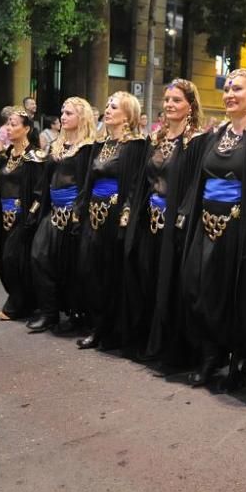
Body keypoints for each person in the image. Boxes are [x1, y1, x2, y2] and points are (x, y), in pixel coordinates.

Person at [179, 68, 246, 388]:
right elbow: (202, 178)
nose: (229, 94)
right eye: (227, 89)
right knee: (197, 290)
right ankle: (210, 355)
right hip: (207, 224)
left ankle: (237, 362)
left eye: (238, 89)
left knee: (236, 298)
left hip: (239, 229)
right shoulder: (217, 132)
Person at [121, 79, 208, 364]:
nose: (170, 104)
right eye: (167, 99)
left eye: (177, 100)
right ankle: (147, 341)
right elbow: (142, 181)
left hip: (175, 226)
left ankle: (169, 349)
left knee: (169, 286)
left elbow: (196, 185)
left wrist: (182, 219)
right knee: (146, 278)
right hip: (149, 221)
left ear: (190, 106)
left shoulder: (196, 141)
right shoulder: (156, 139)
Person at [75, 91, 147, 350]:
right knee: (89, 271)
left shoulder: (136, 146)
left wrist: (126, 214)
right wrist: (81, 207)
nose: (107, 109)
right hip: (93, 214)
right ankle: (97, 325)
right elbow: (89, 179)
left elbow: (136, 185)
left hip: (115, 217)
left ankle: (109, 330)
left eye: (114, 106)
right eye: (106, 105)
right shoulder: (102, 144)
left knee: (111, 274)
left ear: (127, 115)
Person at [26, 97, 97, 334]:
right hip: (53, 212)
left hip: (73, 214)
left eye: (68, 113)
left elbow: (87, 184)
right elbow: (44, 181)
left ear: (82, 117)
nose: (63, 117)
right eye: (62, 113)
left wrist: (78, 213)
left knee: (71, 267)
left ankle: (76, 315)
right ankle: (49, 313)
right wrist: (36, 208)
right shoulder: (57, 145)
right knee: (39, 256)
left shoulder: (88, 148)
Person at [0, 109, 46, 321]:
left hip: (23, 217)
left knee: (13, 258)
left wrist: (31, 217)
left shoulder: (34, 158)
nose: (9, 127)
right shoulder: (6, 156)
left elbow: (41, 192)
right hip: (4, 216)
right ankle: (24, 301)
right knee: (2, 255)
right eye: (8, 123)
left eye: (14, 124)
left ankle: (16, 304)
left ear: (26, 129)